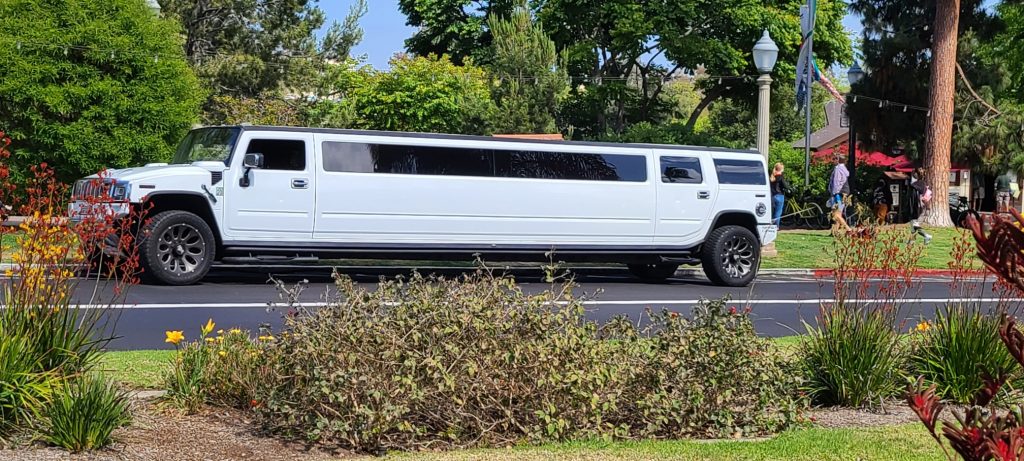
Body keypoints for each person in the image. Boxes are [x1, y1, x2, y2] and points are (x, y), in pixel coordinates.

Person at [828, 154, 851, 232]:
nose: (833, 160)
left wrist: (834, 193)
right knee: (839, 213)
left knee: (835, 214)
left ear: (838, 160)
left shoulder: (838, 169)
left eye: (834, 159)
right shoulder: (844, 169)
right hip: (844, 193)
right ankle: (835, 231)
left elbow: (836, 182)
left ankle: (848, 229)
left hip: (838, 193)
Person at [909, 168, 933, 244]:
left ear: (917, 174)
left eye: (914, 173)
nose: (912, 174)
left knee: (915, 224)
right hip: (919, 206)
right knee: (913, 225)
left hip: (917, 207)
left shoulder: (916, 184)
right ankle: (911, 241)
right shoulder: (922, 183)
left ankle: (927, 236)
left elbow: (915, 196)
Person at [769, 162, 790, 227]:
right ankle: (776, 227)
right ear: (781, 169)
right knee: (778, 212)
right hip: (779, 196)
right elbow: (785, 186)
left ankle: (771, 226)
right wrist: (789, 188)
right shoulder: (780, 177)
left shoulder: (772, 176)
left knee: (773, 212)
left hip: (772, 196)